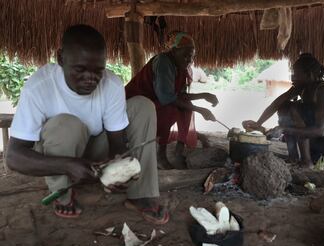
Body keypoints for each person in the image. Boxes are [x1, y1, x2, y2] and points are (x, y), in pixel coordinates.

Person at [6, 24, 169, 224]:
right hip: (61, 153)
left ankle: (141, 194)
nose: (91, 78)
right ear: (60, 58)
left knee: (143, 106)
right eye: (80, 69)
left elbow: (116, 145)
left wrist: (115, 171)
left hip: (95, 152)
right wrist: (68, 165)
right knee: (66, 124)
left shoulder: (112, 84)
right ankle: (63, 192)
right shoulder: (39, 87)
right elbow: (14, 157)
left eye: (98, 71)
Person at [243, 53, 324, 168]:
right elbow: (277, 103)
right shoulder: (301, 87)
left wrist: (283, 129)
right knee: (284, 106)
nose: (292, 77)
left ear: (309, 75)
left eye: (296, 74)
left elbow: (319, 130)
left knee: (295, 108)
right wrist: (258, 123)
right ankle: (293, 157)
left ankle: (306, 162)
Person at [125, 31, 218, 170]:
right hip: (134, 106)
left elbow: (180, 96)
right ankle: (160, 155)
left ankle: (178, 152)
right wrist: (200, 110)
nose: (188, 60)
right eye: (185, 55)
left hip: (152, 103)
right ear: (174, 51)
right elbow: (167, 98)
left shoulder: (179, 66)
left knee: (186, 107)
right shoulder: (163, 62)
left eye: (191, 57)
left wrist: (204, 95)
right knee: (171, 109)